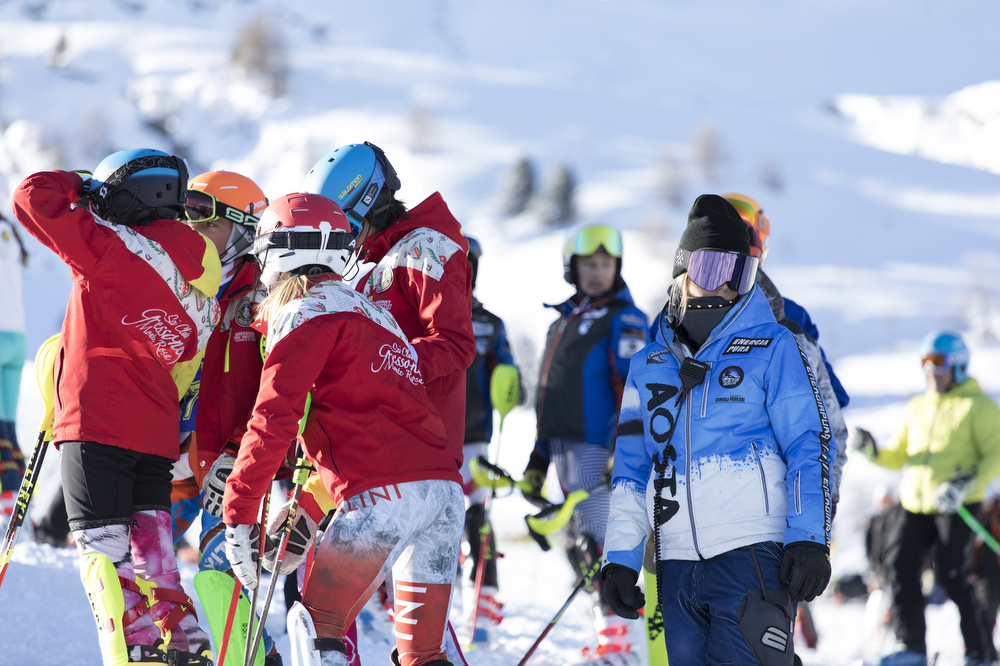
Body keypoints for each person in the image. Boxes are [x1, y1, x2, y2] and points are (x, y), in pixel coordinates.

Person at [221, 192, 465, 666]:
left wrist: (239, 513)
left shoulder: (302, 314)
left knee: (314, 629)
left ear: (277, 252)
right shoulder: (377, 315)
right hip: (443, 493)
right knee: (424, 654)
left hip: (381, 499)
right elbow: (379, 422)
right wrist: (308, 504)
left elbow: (273, 419)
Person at [601, 194, 834, 666]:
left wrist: (809, 537)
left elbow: (808, 443)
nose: (725, 287)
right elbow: (631, 472)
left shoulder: (774, 346)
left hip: (753, 556)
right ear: (682, 273)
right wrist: (620, 560)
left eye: (740, 273)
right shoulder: (648, 366)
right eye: (711, 270)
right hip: (676, 565)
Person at [12, 149, 221, 665]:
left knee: (103, 558)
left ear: (127, 196)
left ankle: (135, 651)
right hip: (153, 437)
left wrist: (80, 183)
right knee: (154, 556)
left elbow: (30, 197)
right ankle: (186, 642)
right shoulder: (203, 284)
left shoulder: (112, 247)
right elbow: (184, 369)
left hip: (95, 424)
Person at [169, 170, 284, 665]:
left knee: (219, 575)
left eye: (207, 223)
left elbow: (278, 392)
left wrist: (240, 453)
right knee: (136, 559)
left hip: (231, 463)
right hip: (177, 456)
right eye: (187, 220)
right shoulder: (188, 290)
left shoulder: (265, 297)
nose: (194, 234)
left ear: (243, 226)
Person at [303, 141, 476, 467]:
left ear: (372, 201)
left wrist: (384, 365)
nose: (346, 241)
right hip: (380, 449)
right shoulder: (374, 267)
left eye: (348, 228)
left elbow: (455, 343)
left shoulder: (424, 248)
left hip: (423, 450)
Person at [522, 223, 649, 661]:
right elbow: (546, 397)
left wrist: (625, 452)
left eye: (606, 264)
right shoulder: (562, 322)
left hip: (602, 451)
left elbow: (639, 389)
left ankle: (621, 643)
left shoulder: (624, 318)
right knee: (577, 544)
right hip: (562, 452)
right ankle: (607, 633)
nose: (598, 272)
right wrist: (537, 459)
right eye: (589, 265)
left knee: (600, 544)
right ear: (571, 268)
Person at [849, 331, 1000, 666]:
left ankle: (980, 652)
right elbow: (898, 456)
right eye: (925, 364)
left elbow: (995, 455)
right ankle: (911, 647)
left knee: (952, 576)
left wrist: (966, 482)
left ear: (958, 365)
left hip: (957, 504)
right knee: (900, 569)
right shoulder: (917, 407)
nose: (930, 371)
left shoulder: (979, 407)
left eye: (938, 363)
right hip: (914, 504)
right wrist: (870, 448)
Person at [722, 193, 849, 515]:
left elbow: (827, 411)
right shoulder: (675, 318)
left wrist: (822, 501)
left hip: (773, 497)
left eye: (740, 235)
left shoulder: (791, 318)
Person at [461, 236, 520, 645]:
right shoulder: (418, 312)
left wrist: (509, 384)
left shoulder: (488, 323)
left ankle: (483, 602)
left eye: (468, 265)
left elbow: (509, 375)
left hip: (476, 439)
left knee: (477, 519)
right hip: (426, 438)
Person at [0, 211, 28, 518]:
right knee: (7, 427)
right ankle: (17, 503)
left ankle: (5, 507)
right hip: (16, 338)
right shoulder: (9, 232)